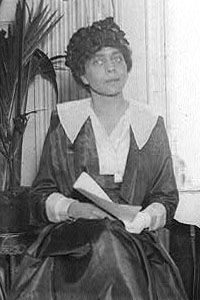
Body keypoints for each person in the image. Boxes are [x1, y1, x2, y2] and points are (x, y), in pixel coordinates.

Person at [9, 17, 188, 300]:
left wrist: (143, 218)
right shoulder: (65, 122)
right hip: (74, 244)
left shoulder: (150, 123)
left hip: (135, 240)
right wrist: (75, 210)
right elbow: (40, 195)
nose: (111, 67)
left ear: (127, 65)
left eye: (117, 58)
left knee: (114, 243)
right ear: (82, 74)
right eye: (99, 61)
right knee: (105, 239)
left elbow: (166, 197)